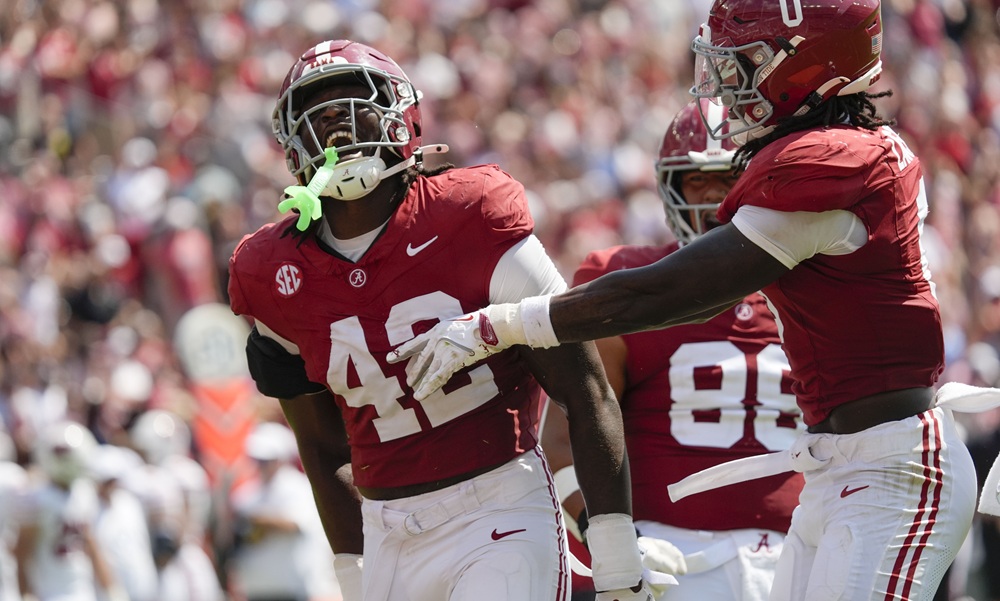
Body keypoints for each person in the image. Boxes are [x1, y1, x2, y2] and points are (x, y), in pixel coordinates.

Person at [390, 1, 987, 598]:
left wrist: (499, 326)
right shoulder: (844, 152)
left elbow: (668, 294)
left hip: (892, 463)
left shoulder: (831, 162)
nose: (730, 85)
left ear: (810, 65)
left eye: (749, 61)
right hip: (840, 464)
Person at [227, 39, 663, 601]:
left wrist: (615, 556)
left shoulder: (470, 213)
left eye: (354, 106)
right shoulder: (270, 271)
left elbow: (585, 389)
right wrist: (353, 575)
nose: (339, 129)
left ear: (400, 114)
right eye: (321, 118)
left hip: (500, 503)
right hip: (387, 531)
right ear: (292, 143)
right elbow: (321, 448)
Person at [542, 98, 804, 601]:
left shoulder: (813, 289)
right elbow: (562, 440)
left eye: (727, 178)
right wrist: (616, 542)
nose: (710, 199)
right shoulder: (624, 280)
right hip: (671, 554)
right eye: (695, 181)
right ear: (669, 189)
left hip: (800, 551)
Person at [13, 421, 127, 601]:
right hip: (50, 593)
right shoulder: (37, 498)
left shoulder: (83, 493)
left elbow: (91, 545)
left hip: (80, 592)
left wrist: (112, 589)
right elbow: (22, 553)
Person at [228, 421, 339, 601]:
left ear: (280, 459)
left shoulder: (299, 488)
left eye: (266, 460)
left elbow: (296, 524)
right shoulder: (246, 494)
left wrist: (258, 521)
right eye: (257, 460)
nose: (261, 465)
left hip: (294, 585)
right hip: (257, 586)